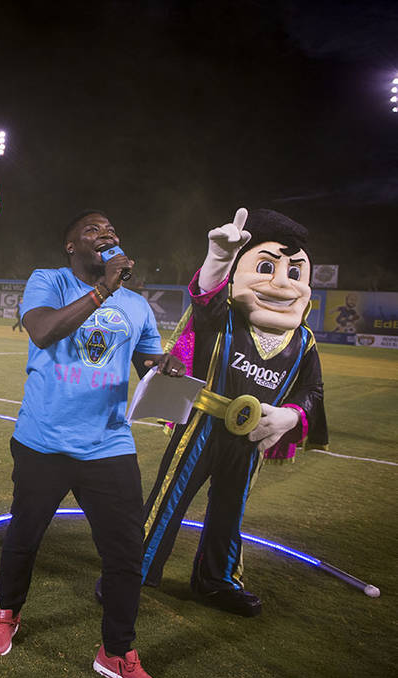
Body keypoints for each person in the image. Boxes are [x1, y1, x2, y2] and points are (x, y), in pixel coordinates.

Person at [0, 211, 180, 678]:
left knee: (124, 553)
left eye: (111, 230)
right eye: (92, 231)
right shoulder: (47, 281)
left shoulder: (136, 305)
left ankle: (116, 652)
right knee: (25, 536)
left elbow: (146, 365)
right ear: (71, 246)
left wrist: (165, 367)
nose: (105, 235)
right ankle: (7, 612)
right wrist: (101, 291)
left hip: (109, 444)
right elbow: (44, 331)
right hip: (43, 439)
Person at [140, 208, 327, 617]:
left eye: (294, 273)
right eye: (266, 267)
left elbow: (312, 391)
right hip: (202, 425)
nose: (282, 283)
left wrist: (290, 416)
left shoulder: (304, 341)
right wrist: (218, 260)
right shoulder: (225, 317)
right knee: (170, 496)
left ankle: (217, 580)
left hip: (250, 435)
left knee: (230, 509)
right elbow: (204, 298)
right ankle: (134, 570)